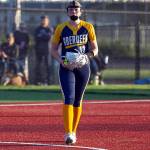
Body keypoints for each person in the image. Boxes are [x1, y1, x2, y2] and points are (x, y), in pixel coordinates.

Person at [50, 0, 98, 145]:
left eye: (76, 9)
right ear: (67, 12)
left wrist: (87, 56)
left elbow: (95, 49)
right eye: (71, 9)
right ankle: (68, 133)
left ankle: (73, 131)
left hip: (83, 66)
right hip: (66, 67)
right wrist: (62, 61)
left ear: (81, 11)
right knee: (68, 97)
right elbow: (53, 50)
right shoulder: (61, 28)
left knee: (78, 99)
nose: (73, 11)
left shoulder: (88, 27)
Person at [34, 15, 53, 85]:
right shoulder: (37, 29)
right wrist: (43, 37)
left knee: (48, 66)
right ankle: (38, 81)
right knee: (39, 66)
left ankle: (48, 82)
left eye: (45, 20)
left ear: (48, 21)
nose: (44, 21)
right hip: (38, 50)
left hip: (47, 50)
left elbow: (49, 37)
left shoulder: (49, 29)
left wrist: (41, 36)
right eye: (42, 20)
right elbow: (36, 38)